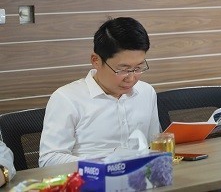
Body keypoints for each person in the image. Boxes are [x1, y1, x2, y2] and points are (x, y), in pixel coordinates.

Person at [39, 17, 160, 167]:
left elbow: (155, 145)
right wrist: (105, 164)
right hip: (89, 178)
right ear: (96, 60)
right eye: (123, 69)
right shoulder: (66, 99)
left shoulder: (146, 92)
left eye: (138, 68)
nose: (131, 78)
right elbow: (49, 160)